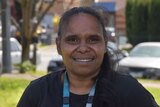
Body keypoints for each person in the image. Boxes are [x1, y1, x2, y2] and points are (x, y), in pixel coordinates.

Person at [17, 7, 159, 107]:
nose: (83, 48)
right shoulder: (37, 92)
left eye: (93, 39)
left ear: (105, 44)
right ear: (59, 46)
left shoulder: (129, 91)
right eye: (72, 40)